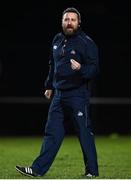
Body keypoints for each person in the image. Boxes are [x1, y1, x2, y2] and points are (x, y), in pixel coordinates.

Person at [15, 7, 99, 178]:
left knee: (84, 133)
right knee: (52, 133)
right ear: (62, 22)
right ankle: (37, 170)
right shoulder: (57, 39)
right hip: (59, 95)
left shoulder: (86, 42)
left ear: (79, 22)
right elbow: (53, 65)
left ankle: (92, 171)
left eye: (73, 20)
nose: (69, 23)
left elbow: (94, 69)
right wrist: (49, 85)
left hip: (77, 95)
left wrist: (81, 68)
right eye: (66, 19)